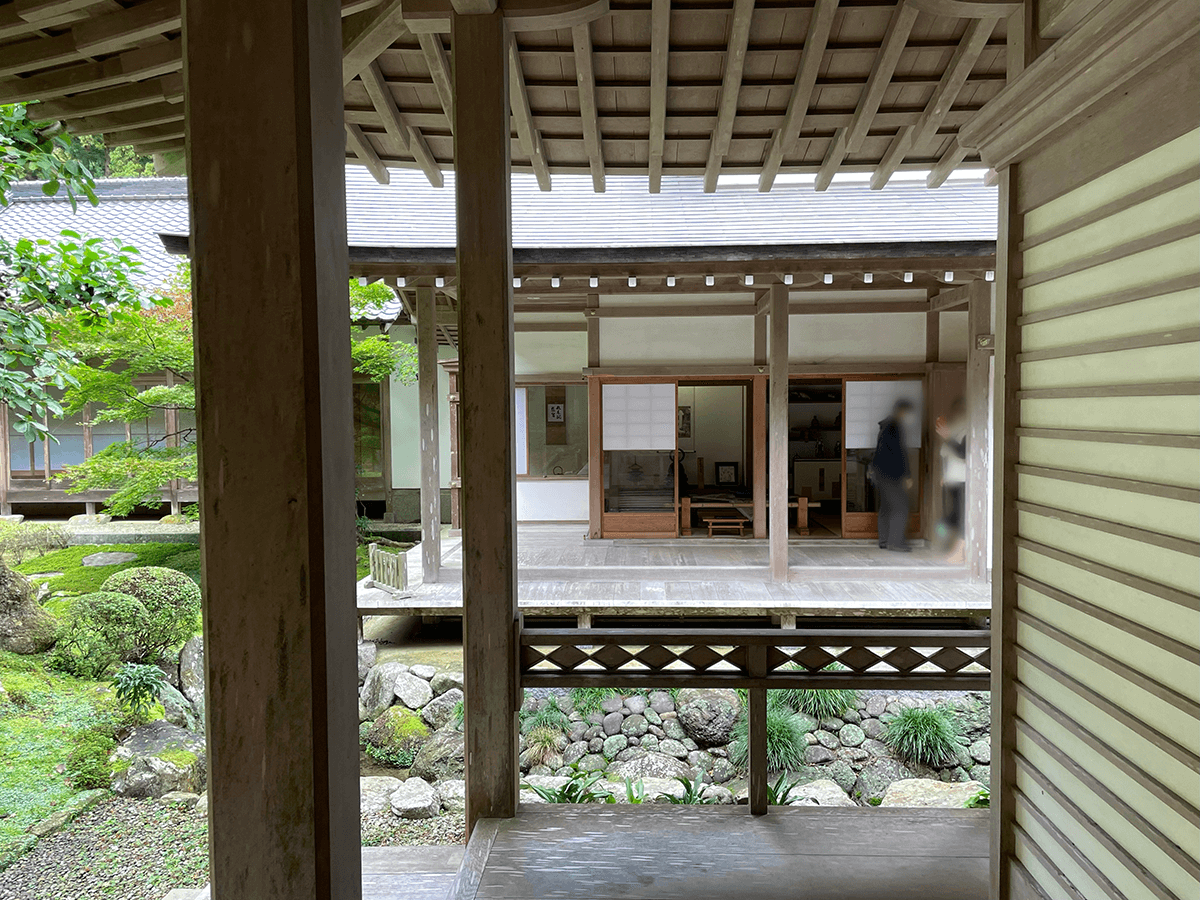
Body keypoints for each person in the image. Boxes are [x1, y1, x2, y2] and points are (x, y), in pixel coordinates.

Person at [870, 399, 916, 552]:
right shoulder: (895, 427)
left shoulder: (885, 426)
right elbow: (900, 453)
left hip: (880, 472)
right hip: (891, 474)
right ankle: (895, 542)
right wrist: (907, 474)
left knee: (886, 506)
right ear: (902, 411)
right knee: (900, 507)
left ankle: (884, 541)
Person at [936, 397, 968, 564]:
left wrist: (948, 437)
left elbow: (963, 454)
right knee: (950, 517)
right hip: (951, 480)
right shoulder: (954, 430)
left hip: (964, 481)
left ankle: (959, 551)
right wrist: (943, 474)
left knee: (961, 517)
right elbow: (946, 455)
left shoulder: (967, 430)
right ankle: (944, 542)